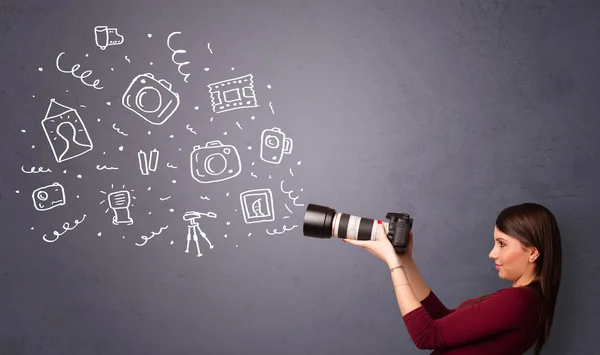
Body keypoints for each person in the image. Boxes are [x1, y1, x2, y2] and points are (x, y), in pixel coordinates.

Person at [344, 202, 562, 355]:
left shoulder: (519, 302)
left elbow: (427, 336)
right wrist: (405, 260)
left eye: (502, 244)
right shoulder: (522, 301)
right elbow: (442, 319)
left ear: (533, 252)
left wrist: (392, 262)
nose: (492, 253)